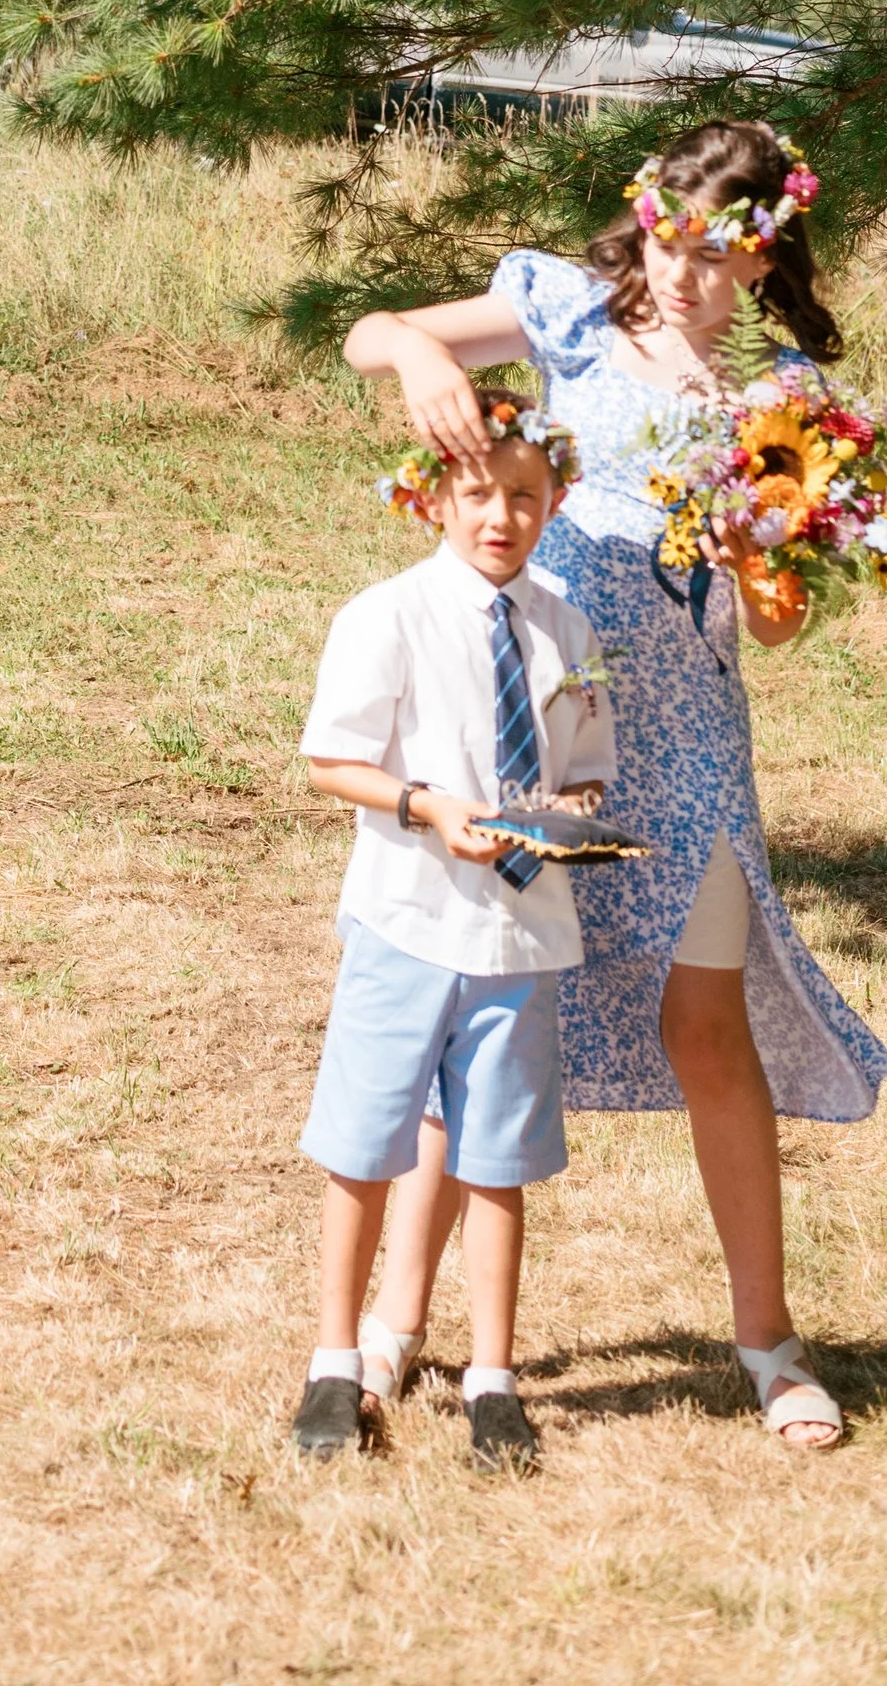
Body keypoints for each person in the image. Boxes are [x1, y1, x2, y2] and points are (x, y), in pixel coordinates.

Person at [342, 117, 887, 1452]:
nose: (692, 279)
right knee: (463, 1011)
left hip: (693, 740)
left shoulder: (784, 396)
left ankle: (768, 1340)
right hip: (533, 718)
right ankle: (391, 1329)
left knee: (709, 1028)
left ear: (769, 260)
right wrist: (416, 347)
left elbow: (772, 626)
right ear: (644, 221)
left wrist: (771, 558)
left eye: (722, 260)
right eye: (674, 246)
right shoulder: (572, 315)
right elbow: (373, 332)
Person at [293, 385, 616, 1471]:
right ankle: (335, 1365)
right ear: (433, 494)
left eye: (523, 496)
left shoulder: (567, 627)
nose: (500, 517)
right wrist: (428, 805)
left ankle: (492, 1377)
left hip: (520, 940)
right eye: (477, 492)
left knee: (496, 1159)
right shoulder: (384, 615)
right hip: (407, 921)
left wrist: (558, 825)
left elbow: (583, 774)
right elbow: (332, 760)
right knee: (364, 1141)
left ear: (553, 500)